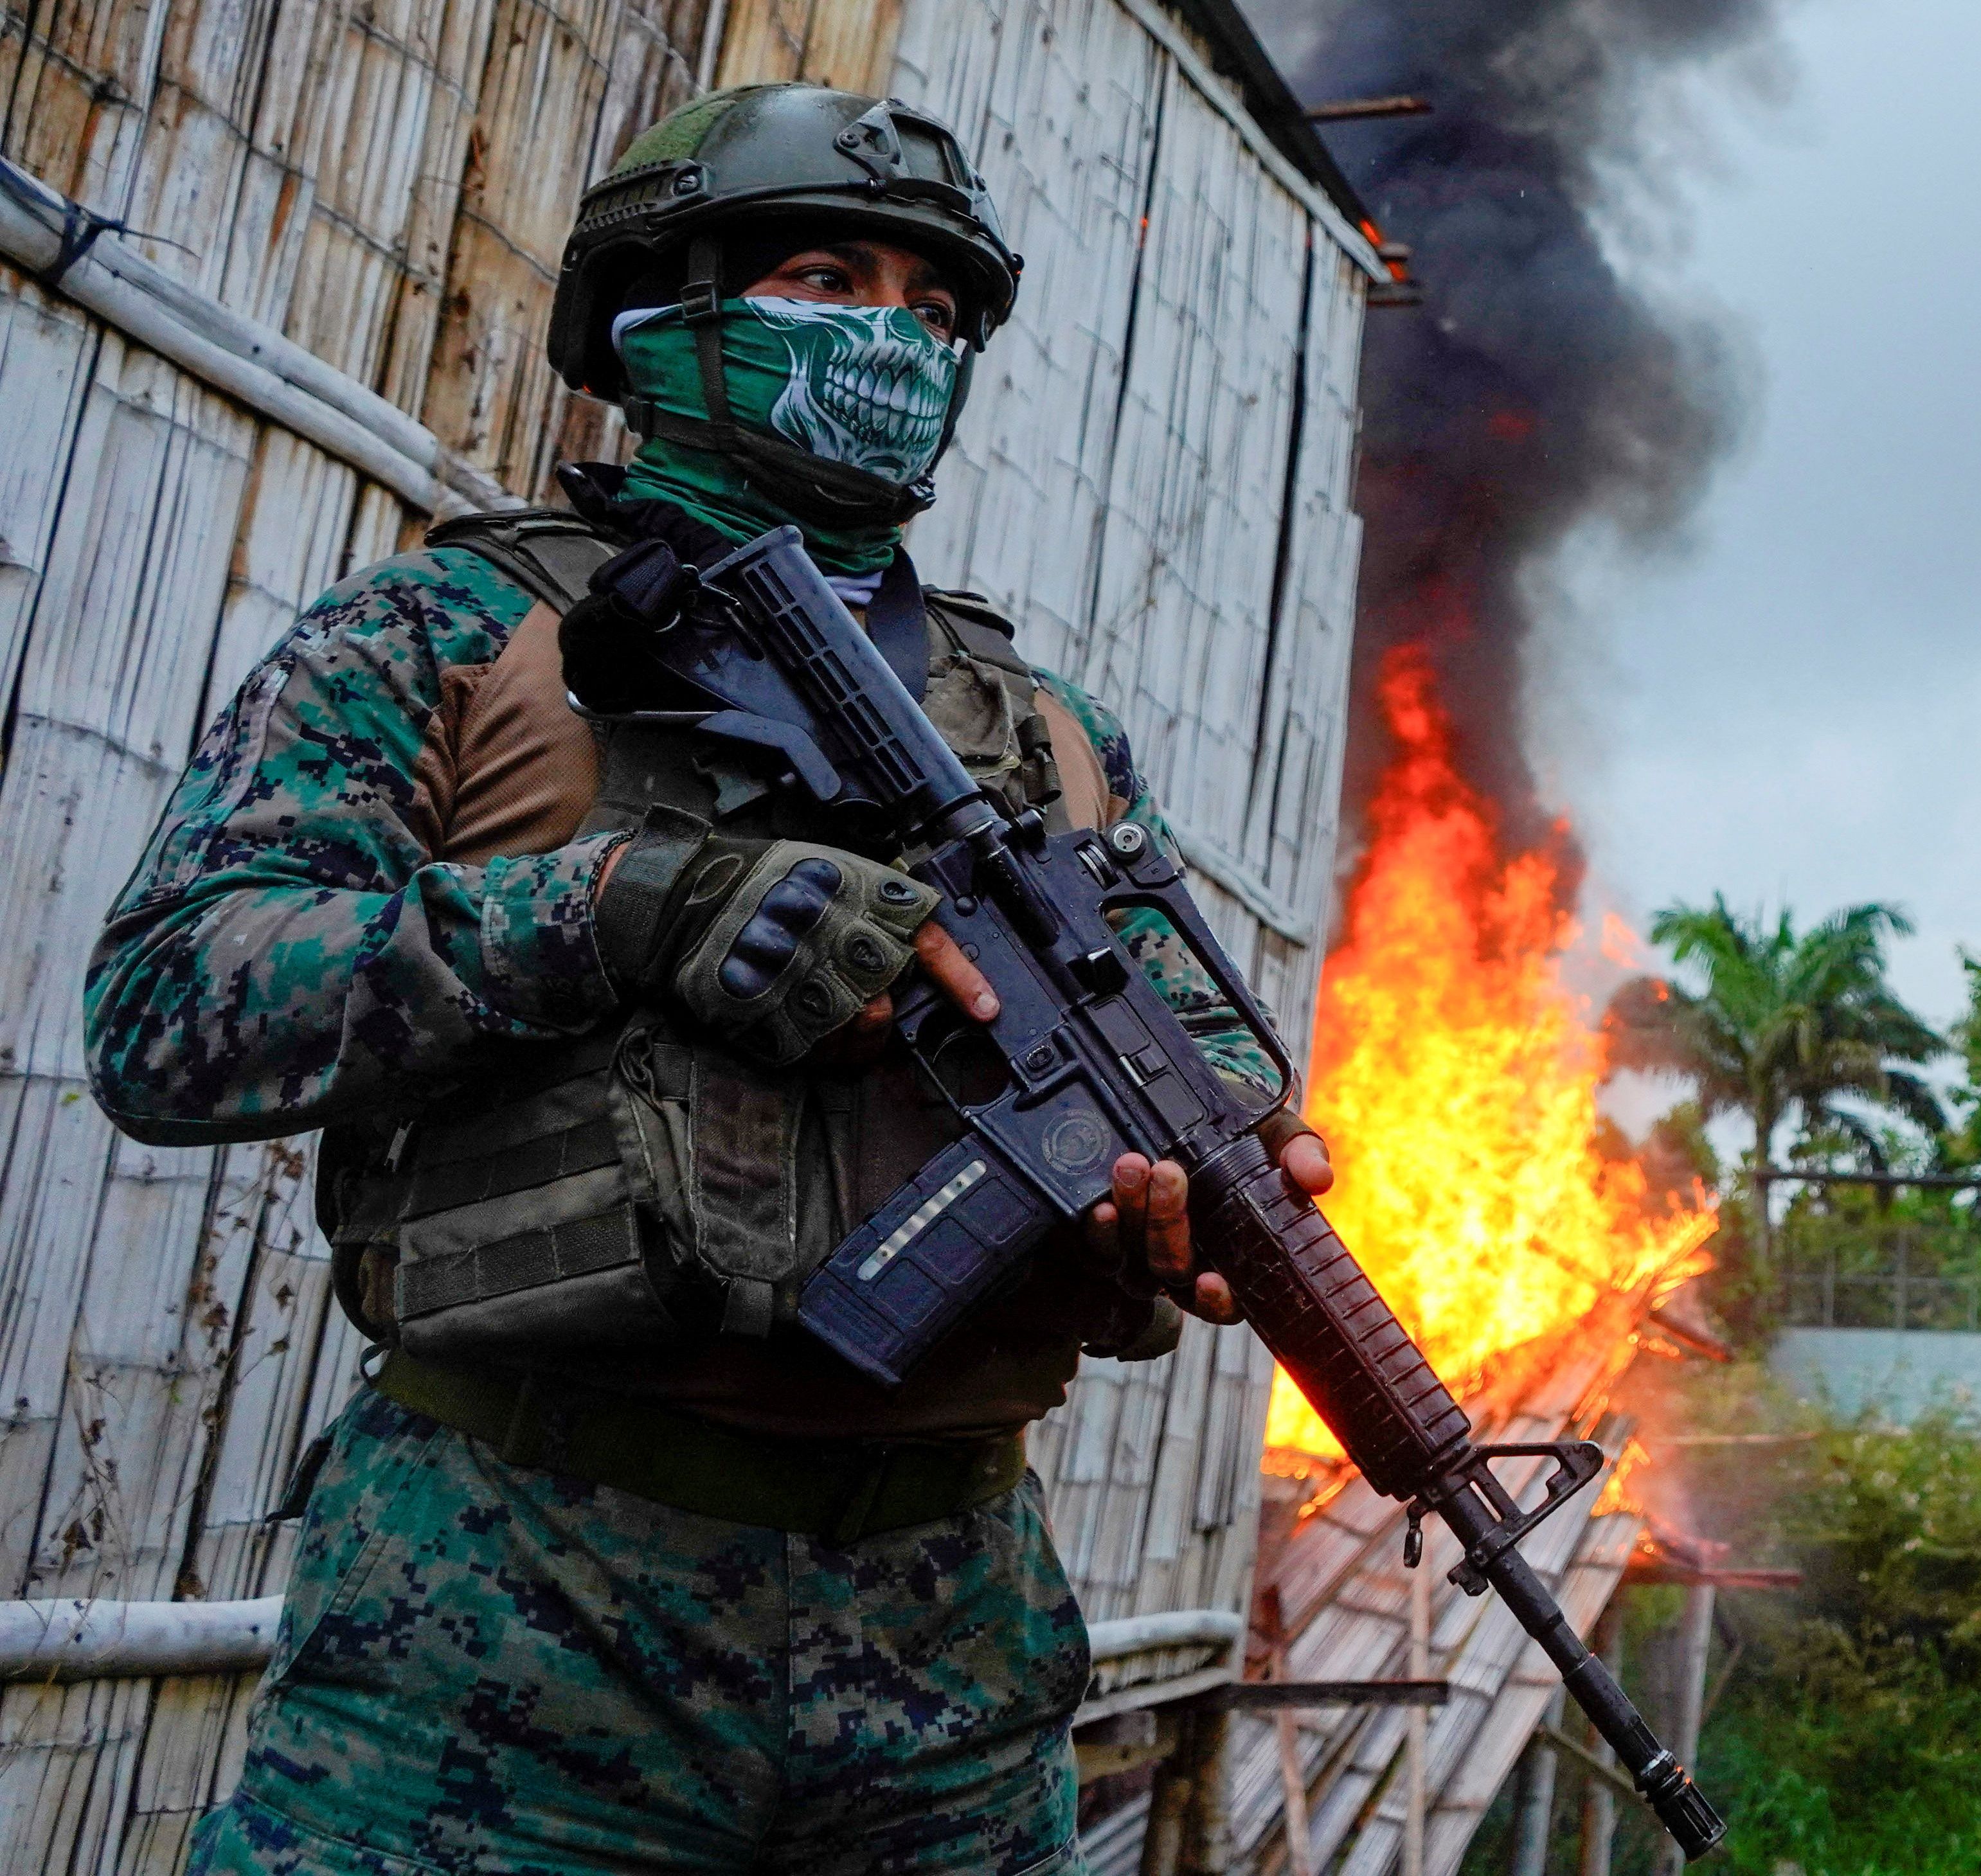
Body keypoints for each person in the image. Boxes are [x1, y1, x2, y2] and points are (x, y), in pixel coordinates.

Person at [84, 81, 1329, 1876]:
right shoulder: (448, 637)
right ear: (656, 317)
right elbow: (166, 1010)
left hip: (950, 1663)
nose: (889, 343)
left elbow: (1182, 1032)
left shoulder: (1051, 741)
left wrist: (1205, 1187)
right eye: (828, 278)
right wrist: (614, 914)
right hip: (505, 1626)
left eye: (930, 311)